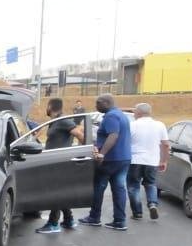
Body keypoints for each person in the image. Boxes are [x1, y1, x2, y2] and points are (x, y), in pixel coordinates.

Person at [80, 94, 132, 231]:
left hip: (109, 160)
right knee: (119, 189)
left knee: (99, 188)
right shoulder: (120, 114)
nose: (95, 106)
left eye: (98, 103)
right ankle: (120, 221)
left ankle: (94, 217)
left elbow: (113, 135)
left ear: (106, 103)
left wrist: (102, 153)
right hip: (124, 158)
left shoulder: (111, 116)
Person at [35, 98, 85, 234]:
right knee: (60, 192)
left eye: (47, 106)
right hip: (55, 161)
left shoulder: (63, 120)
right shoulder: (56, 121)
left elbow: (79, 134)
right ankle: (68, 220)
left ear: (50, 106)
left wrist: (83, 151)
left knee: (56, 193)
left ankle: (53, 223)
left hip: (60, 162)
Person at [127, 102, 170, 221]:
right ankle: (152, 204)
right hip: (152, 161)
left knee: (133, 186)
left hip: (134, 160)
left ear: (139, 113)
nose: (134, 113)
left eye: (135, 111)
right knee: (150, 184)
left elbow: (125, 143)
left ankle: (137, 213)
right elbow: (166, 145)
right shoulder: (160, 125)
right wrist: (164, 161)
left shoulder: (132, 125)